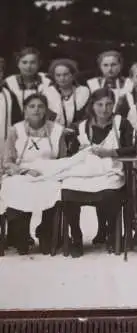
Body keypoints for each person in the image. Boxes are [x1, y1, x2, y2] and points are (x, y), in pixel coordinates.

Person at [62, 88, 135, 257]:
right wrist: (75, 146)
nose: (104, 109)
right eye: (100, 104)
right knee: (67, 191)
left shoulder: (121, 123)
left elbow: (133, 148)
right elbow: (70, 154)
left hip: (110, 172)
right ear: (92, 106)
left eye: (109, 104)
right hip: (84, 173)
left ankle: (110, 232)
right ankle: (76, 236)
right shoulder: (80, 126)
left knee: (109, 194)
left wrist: (111, 152)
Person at [1, 94, 66, 255]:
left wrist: (50, 172)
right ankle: (20, 233)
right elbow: (7, 161)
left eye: (40, 106)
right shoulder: (15, 130)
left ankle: (46, 232)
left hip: (49, 173)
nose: (36, 110)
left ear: (46, 109)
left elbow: (63, 159)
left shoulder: (58, 131)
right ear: (25, 110)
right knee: (15, 187)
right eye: (31, 106)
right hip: (21, 172)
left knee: (53, 190)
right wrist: (24, 171)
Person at [4, 47, 51, 120]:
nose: (28, 66)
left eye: (33, 62)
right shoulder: (9, 83)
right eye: (24, 62)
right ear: (18, 64)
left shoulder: (47, 83)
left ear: (39, 64)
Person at [43, 59, 90, 128]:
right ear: (54, 77)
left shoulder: (83, 91)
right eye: (58, 75)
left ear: (73, 75)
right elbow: (46, 117)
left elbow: (87, 116)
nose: (62, 78)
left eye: (65, 74)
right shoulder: (48, 93)